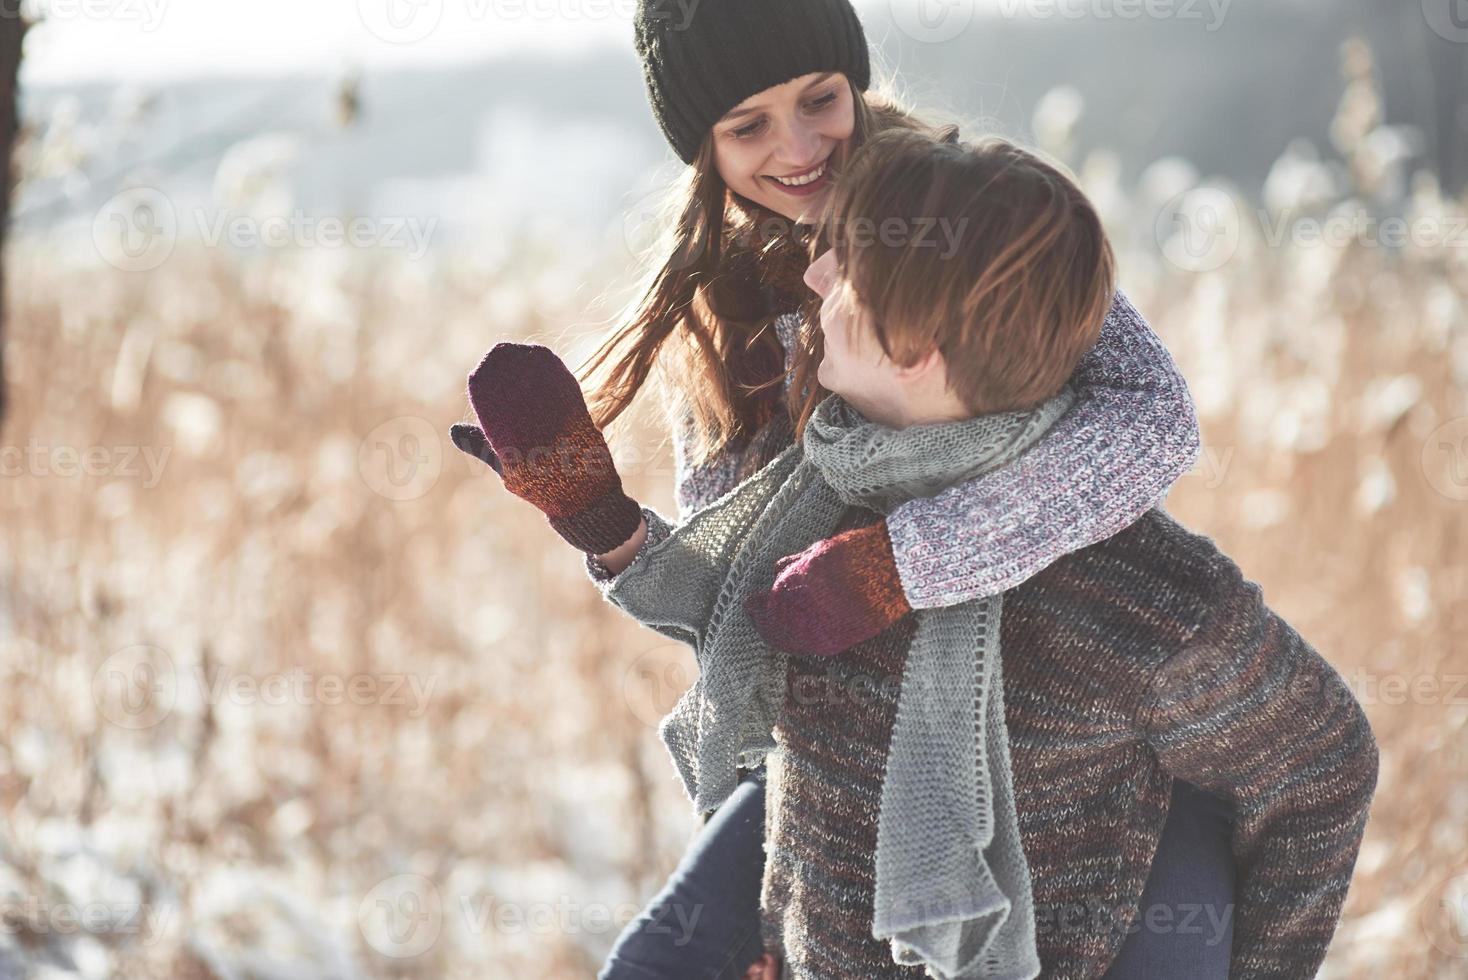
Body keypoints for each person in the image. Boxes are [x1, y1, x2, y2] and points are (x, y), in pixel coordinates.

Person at [452, 126, 1379, 978]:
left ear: (919, 351)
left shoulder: (1133, 590)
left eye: (844, 270)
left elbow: (1326, 765)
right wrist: (593, 512)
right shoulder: (828, 478)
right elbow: (765, 676)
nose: (813, 281)